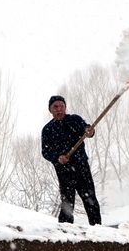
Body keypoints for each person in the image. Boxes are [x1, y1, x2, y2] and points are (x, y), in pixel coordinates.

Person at [41, 95, 102, 225]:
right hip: (64, 170)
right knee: (67, 202)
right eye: (55, 107)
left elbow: (87, 128)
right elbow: (45, 152)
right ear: (50, 110)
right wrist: (58, 158)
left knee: (90, 199)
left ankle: (97, 229)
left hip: (81, 166)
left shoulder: (75, 120)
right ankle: (65, 231)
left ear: (65, 107)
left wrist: (89, 131)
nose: (59, 109)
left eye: (62, 106)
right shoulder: (47, 130)